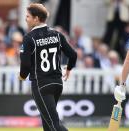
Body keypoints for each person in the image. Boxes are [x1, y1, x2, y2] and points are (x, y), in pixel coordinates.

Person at [19, 3, 77, 131]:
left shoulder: (29, 38)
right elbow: (73, 55)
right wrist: (68, 69)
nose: (26, 19)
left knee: (54, 124)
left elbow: (26, 65)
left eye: (28, 16)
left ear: (36, 18)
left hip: (41, 85)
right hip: (57, 84)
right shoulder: (57, 34)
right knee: (47, 123)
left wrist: (22, 76)